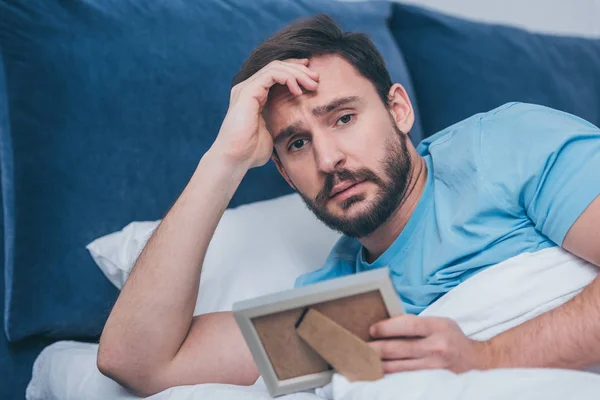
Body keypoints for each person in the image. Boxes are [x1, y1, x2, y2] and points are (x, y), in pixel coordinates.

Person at [96, 15, 600, 397]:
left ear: (398, 110)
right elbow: (140, 362)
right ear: (282, 170)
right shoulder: (343, 309)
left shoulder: (505, 148)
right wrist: (222, 162)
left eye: (342, 118)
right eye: (295, 144)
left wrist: (487, 357)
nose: (328, 158)